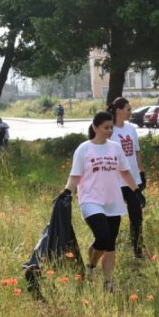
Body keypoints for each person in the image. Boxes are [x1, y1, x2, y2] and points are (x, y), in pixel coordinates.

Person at [62, 111, 138, 292]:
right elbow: (75, 175)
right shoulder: (84, 149)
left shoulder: (115, 148)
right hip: (90, 200)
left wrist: (136, 190)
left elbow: (125, 171)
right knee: (103, 237)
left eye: (111, 127)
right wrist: (66, 191)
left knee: (109, 244)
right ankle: (92, 266)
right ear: (95, 128)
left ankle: (107, 281)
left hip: (113, 201)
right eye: (106, 128)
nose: (109, 131)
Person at [108, 97, 147, 258]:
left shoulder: (131, 128)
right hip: (115, 181)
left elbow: (136, 151)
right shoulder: (110, 130)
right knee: (113, 218)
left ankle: (138, 249)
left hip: (133, 181)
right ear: (119, 110)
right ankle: (108, 248)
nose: (131, 112)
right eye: (128, 109)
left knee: (136, 217)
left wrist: (141, 172)